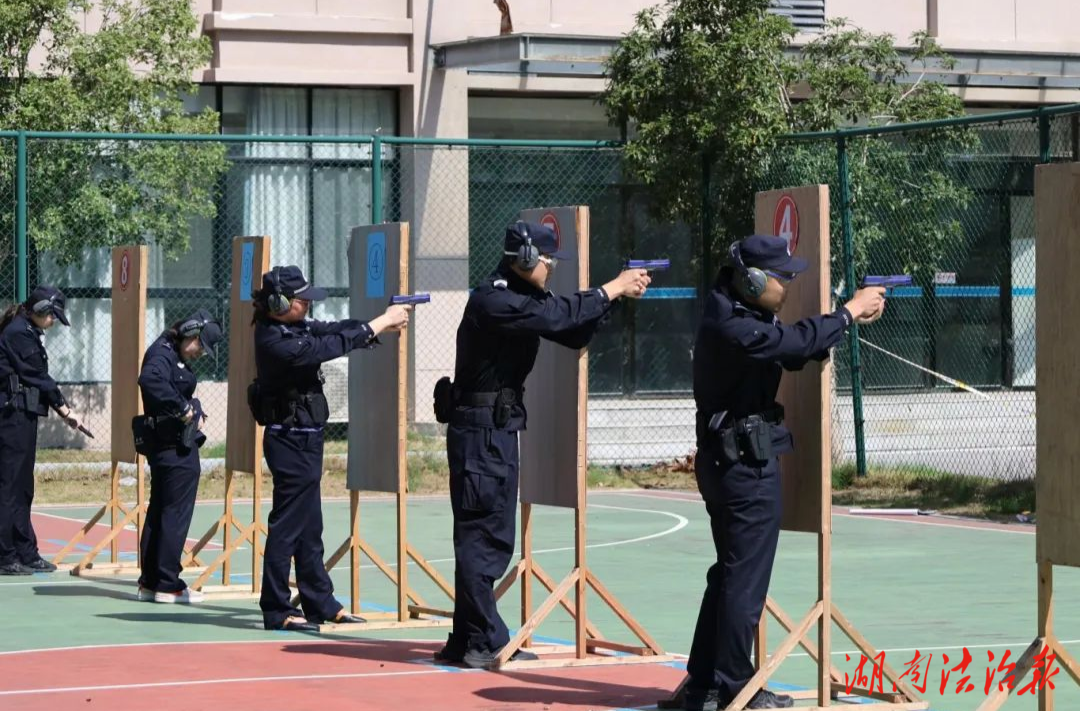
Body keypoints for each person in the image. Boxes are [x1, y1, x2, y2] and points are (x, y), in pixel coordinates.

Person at [432, 220, 652, 669]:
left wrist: (613, 299)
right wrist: (610, 288)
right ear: (526, 258)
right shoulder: (494, 298)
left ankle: (468, 636)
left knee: (482, 535)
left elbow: (571, 331)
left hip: (491, 430)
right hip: (482, 433)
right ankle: (483, 639)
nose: (551, 267)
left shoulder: (518, 296)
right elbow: (554, 317)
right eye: (547, 259)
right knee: (484, 538)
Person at [684, 235, 886, 710]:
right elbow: (792, 341)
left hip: (729, 460)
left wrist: (844, 319)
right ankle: (738, 687)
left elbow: (793, 350)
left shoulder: (736, 313)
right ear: (753, 280)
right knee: (744, 581)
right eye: (782, 277)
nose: (789, 284)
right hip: (740, 465)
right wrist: (847, 313)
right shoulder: (734, 323)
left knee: (730, 575)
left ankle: (705, 684)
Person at [249, 265, 411, 631]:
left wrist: (375, 323)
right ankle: (276, 608)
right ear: (278, 302)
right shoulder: (275, 339)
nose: (307, 304)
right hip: (290, 438)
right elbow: (326, 347)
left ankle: (318, 601)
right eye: (300, 299)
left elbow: (333, 330)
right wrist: (381, 323)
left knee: (309, 527)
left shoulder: (291, 327)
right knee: (287, 527)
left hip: (304, 436)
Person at [133, 309, 224, 603]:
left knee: (161, 511)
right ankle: (167, 583)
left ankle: (151, 581)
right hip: (174, 445)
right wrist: (182, 408)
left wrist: (191, 405)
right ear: (190, 333)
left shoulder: (168, 352)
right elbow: (149, 380)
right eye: (200, 345)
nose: (200, 353)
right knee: (175, 514)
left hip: (167, 444)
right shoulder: (163, 354)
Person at [0, 286, 83, 576]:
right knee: (9, 487)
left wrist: (62, 411)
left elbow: (36, 378)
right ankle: (5, 554)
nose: (53, 322)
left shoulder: (25, 330)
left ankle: (25, 551)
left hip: (23, 414)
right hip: (12, 416)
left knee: (22, 487)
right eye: (52, 316)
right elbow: (36, 374)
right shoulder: (19, 333)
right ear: (40, 310)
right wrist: (64, 407)